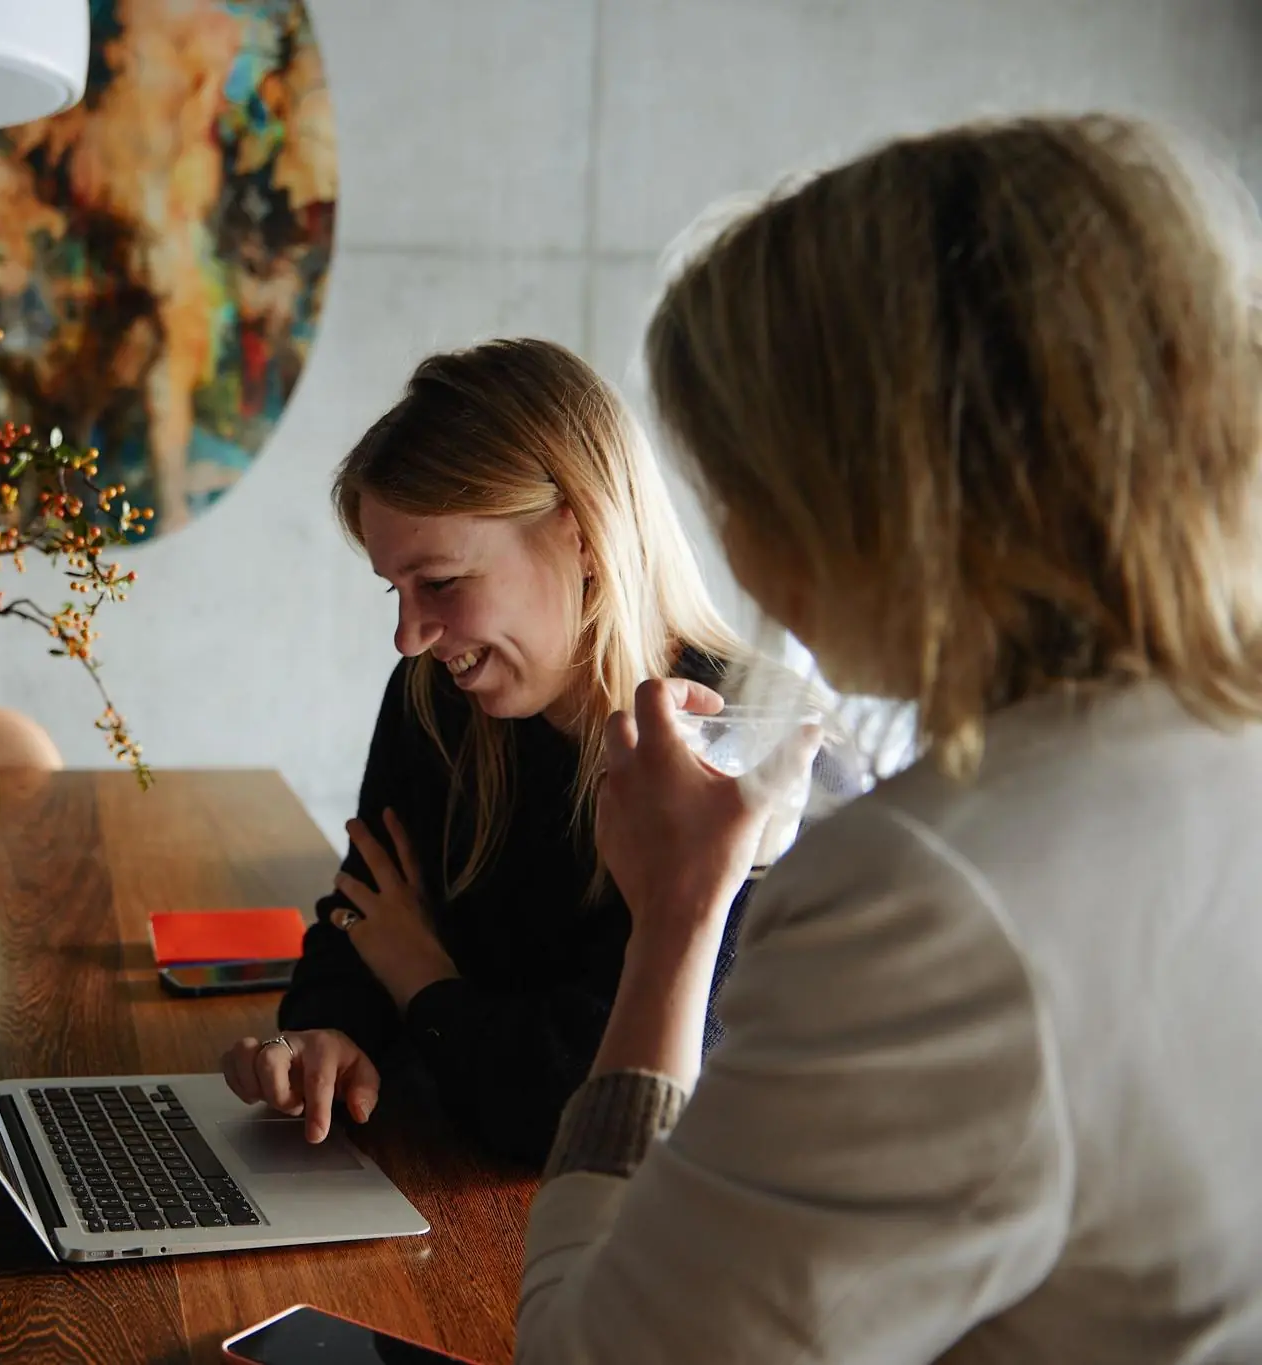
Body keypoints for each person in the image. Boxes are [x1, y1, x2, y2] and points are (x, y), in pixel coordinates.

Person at [517, 114, 1262, 1361]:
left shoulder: (936, 899)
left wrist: (673, 921)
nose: (737, 548)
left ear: (871, 492)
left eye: (740, 484)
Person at [219, 338, 749, 1164]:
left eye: (441, 584)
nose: (409, 637)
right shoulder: (437, 700)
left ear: (579, 534)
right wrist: (329, 1034)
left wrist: (422, 978)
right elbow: (363, 914)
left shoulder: (731, 756)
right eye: (396, 590)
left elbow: (584, 1109)